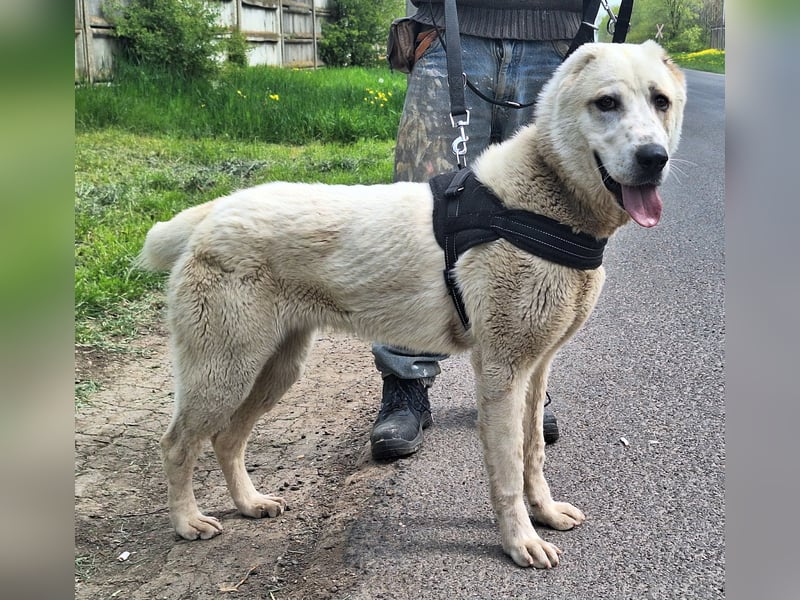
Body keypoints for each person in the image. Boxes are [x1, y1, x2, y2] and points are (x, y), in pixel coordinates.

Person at [370, 0, 585, 460]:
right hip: (449, 26)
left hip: (556, 34)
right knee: (419, 219)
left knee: (542, 224)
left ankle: (520, 384)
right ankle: (405, 386)